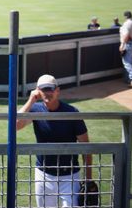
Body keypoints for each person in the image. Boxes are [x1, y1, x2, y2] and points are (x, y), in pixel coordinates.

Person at [16, 74, 92, 208]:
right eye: (43, 89)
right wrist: (31, 100)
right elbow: (15, 125)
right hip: (43, 174)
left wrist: (89, 179)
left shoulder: (72, 112)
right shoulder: (35, 109)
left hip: (70, 175)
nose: (47, 93)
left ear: (57, 90)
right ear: (38, 91)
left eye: (50, 89)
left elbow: (86, 146)